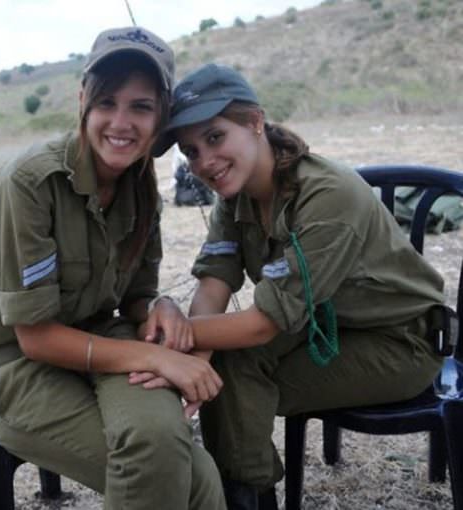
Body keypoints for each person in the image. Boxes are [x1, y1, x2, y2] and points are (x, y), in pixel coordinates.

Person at [143, 63, 446, 509]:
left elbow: (263, 325)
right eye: (190, 151)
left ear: (255, 122)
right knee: (224, 366)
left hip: (401, 341)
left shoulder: (327, 196)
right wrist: (193, 354)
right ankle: (246, 492)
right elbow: (214, 283)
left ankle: (245, 497)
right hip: (325, 325)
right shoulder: (237, 193)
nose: (204, 162)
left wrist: (167, 341)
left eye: (215, 137)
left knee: (232, 379)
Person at [0, 28, 227, 510]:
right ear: (82, 99)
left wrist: (159, 305)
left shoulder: (140, 184)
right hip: (23, 369)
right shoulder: (30, 184)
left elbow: (136, 295)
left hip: (107, 339)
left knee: (184, 462)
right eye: (107, 102)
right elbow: (35, 338)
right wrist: (157, 358)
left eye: (141, 107)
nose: (121, 123)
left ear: (161, 114)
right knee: (182, 471)